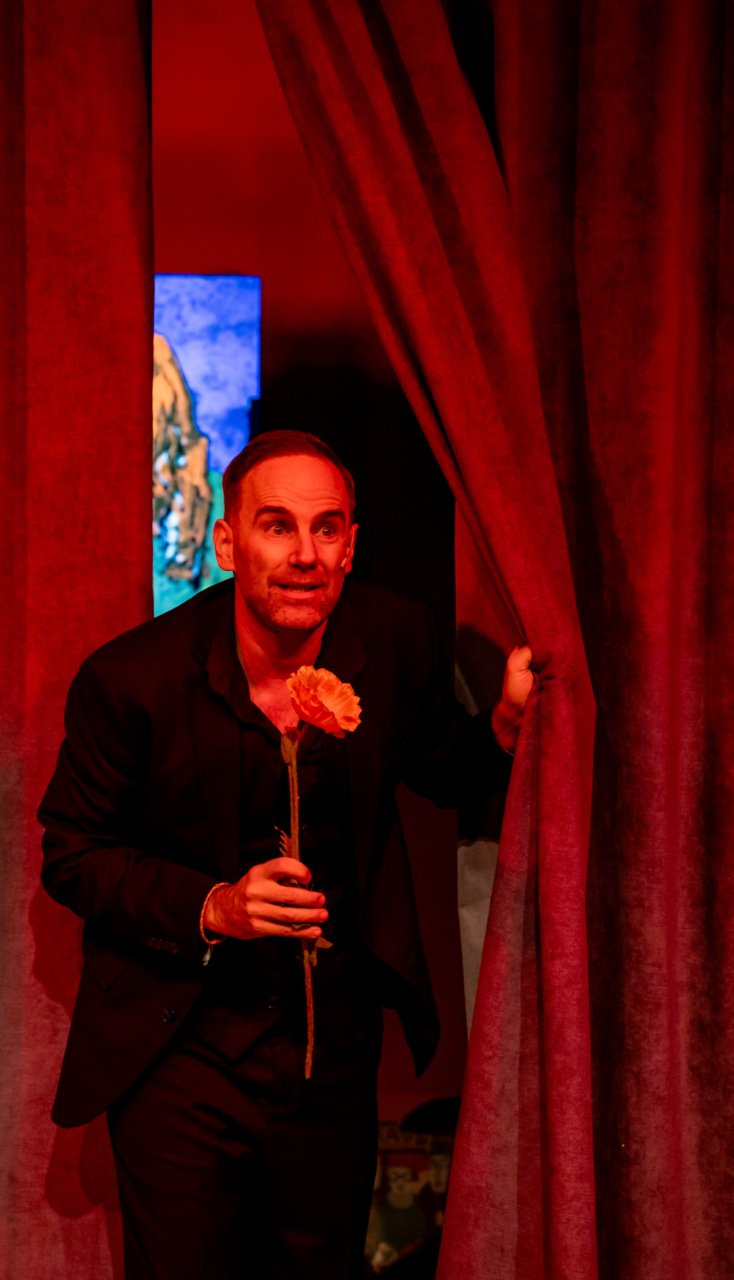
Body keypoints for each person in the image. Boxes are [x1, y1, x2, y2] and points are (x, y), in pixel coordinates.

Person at [39, 430, 535, 1279]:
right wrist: (213, 907)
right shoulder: (130, 681)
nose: (305, 554)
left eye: (326, 528)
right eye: (277, 526)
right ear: (228, 543)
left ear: (351, 545)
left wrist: (505, 728)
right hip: (182, 1051)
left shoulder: (397, 638)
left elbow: (442, 766)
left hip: (331, 1053)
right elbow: (73, 854)